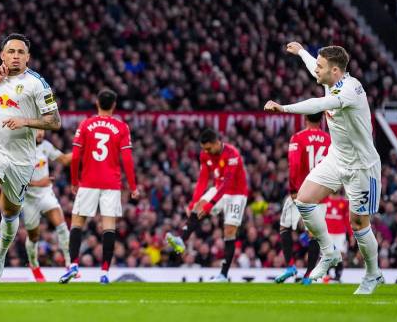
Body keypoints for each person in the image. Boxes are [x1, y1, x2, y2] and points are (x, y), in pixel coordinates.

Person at [265, 42, 383, 294]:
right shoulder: (332, 79)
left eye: (321, 67)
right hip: (336, 158)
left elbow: (317, 105)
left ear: (336, 71)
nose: (316, 70)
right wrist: (302, 53)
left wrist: (284, 107)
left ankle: (373, 274)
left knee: (359, 224)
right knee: (304, 200)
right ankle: (329, 252)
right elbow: (314, 68)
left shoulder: (350, 90)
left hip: (362, 166)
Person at [0, 33, 61, 286]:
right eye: (11, 52)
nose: (15, 56)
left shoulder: (38, 84)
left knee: (10, 212)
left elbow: (55, 121)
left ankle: (0, 254)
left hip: (21, 158)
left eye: (20, 52)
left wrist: (26, 120)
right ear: (2, 55)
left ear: (28, 57)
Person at [59, 88, 138, 285]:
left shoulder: (86, 124)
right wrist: (133, 186)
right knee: (109, 227)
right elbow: (127, 160)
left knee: (77, 223)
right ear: (114, 105)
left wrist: (74, 181)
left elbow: (76, 156)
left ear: (97, 103)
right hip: (111, 184)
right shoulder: (121, 127)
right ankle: (104, 273)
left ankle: (74, 266)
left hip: (88, 181)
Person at [164, 128, 249, 282]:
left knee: (229, 231)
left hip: (236, 193)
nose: (206, 152)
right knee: (198, 206)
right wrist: (193, 203)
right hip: (218, 188)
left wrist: (210, 206)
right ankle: (181, 240)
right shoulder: (204, 155)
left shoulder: (232, 155)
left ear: (217, 143)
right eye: (204, 149)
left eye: (209, 148)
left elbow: (228, 184)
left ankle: (223, 274)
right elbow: (202, 179)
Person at [275, 112, 331, 284]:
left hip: (301, 191)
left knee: (285, 227)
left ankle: (290, 266)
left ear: (305, 118)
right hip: (319, 194)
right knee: (314, 234)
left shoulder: (298, 138)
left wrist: (293, 189)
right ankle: (308, 275)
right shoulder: (329, 140)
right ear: (321, 120)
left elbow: (295, 164)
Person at [23, 129, 72, 282]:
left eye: (42, 130)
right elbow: (14, 177)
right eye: (37, 131)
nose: (41, 134)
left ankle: (70, 264)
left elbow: (64, 159)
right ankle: (34, 264)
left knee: (62, 226)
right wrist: (38, 182)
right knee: (34, 237)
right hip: (29, 198)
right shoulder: (21, 149)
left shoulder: (45, 145)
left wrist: (82, 148)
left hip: (45, 194)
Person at [324, 192, 351, 283]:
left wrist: (351, 235)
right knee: (327, 254)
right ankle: (326, 274)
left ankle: (337, 276)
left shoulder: (344, 202)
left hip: (340, 234)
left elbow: (347, 220)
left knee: (340, 255)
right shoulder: (325, 200)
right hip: (328, 233)